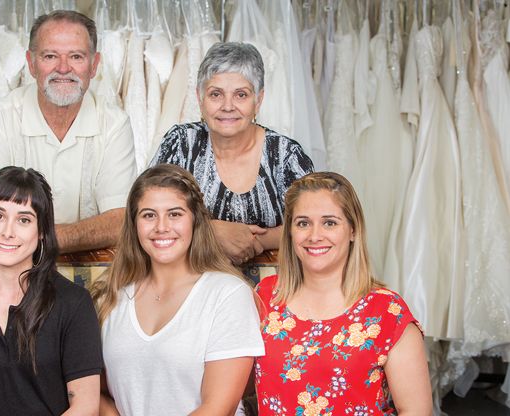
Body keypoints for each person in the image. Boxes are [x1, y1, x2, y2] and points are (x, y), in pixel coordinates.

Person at [91, 164, 265, 415]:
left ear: (195, 221)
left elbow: (218, 408)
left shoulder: (227, 294)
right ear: (134, 224)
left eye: (174, 214)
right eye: (149, 215)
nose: (161, 227)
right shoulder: (110, 297)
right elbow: (91, 390)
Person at [254, 172, 431, 415]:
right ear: (291, 232)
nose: (315, 236)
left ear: (353, 230)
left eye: (330, 222)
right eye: (303, 223)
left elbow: (416, 411)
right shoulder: (265, 296)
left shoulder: (387, 312)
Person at [0, 10, 136, 253]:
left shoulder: (115, 124)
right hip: (11, 275)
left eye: (76, 56)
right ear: (31, 63)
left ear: (94, 64)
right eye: (50, 56)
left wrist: (32, 239)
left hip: (94, 275)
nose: (63, 68)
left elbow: (121, 222)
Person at [0, 166, 102, 415]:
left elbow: (85, 405)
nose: (7, 231)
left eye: (24, 220)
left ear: (42, 232)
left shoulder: (74, 304)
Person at [150, 42, 314, 265]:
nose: (228, 106)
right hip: (191, 283)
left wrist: (258, 242)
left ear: (258, 100)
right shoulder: (181, 144)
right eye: (216, 94)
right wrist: (211, 230)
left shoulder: (285, 155)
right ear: (200, 98)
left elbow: (313, 224)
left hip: (274, 288)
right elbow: (149, 213)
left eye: (241, 95)